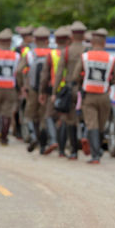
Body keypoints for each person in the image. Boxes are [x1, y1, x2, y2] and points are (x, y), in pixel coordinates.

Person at [70, 28, 115, 164]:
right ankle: (97, 150)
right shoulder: (111, 59)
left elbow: (75, 76)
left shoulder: (85, 57)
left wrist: (82, 82)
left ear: (92, 42)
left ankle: (95, 155)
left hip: (89, 96)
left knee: (92, 124)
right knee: (101, 125)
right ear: (104, 43)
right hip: (104, 96)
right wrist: (106, 82)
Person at [53, 21, 87, 160]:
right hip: (85, 89)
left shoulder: (67, 51)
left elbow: (59, 72)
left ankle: (73, 151)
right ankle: (87, 141)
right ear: (84, 35)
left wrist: (55, 92)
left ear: (72, 35)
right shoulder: (87, 51)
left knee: (69, 120)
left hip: (70, 89)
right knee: (87, 119)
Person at [18, 26, 52, 154]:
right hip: (47, 91)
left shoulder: (30, 54)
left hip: (32, 89)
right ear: (47, 40)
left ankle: (33, 137)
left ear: (35, 40)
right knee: (43, 117)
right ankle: (43, 146)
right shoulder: (52, 54)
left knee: (30, 115)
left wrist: (23, 85)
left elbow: (19, 70)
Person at [39, 26, 71, 157]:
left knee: (48, 116)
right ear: (68, 40)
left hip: (55, 90)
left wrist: (42, 92)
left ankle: (52, 140)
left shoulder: (51, 55)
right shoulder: (71, 53)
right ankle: (62, 151)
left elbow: (44, 76)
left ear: (56, 41)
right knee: (63, 119)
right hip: (68, 90)